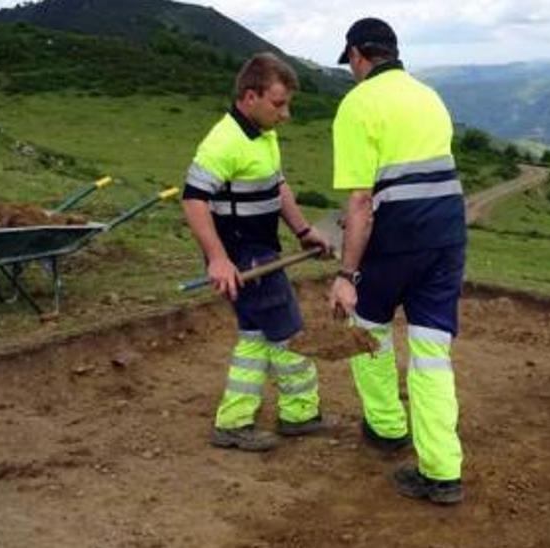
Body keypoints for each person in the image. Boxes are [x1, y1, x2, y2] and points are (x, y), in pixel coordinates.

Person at [328, 17, 466, 505]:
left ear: (358, 55)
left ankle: (387, 427)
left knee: (366, 326)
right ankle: (442, 471)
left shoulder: (358, 104)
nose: (351, 71)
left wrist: (346, 275)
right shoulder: (429, 96)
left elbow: (362, 202)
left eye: (350, 63)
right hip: (448, 233)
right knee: (431, 352)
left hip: (397, 238)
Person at [181, 53, 332, 452]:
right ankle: (299, 414)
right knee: (289, 333)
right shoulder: (223, 141)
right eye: (279, 103)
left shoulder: (263, 134)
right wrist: (217, 258)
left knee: (255, 338)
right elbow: (193, 200)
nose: (286, 114)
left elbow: (278, 186)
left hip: (262, 250)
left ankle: (233, 422)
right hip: (244, 258)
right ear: (250, 97)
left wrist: (302, 230)